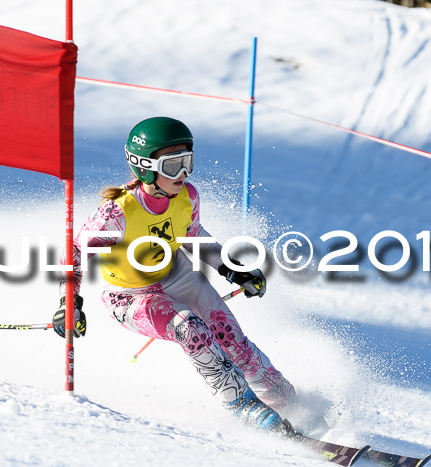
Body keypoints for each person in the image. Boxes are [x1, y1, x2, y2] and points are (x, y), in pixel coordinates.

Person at [52, 116, 296, 434]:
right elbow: (74, 251)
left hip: (177, 275)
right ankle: (242, 404)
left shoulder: (187, 197)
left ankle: (289, 402)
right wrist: (68, 302)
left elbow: (194, 235)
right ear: (145, 167)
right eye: (172, 165)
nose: (182, 174)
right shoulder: (118, 213)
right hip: (131, 296)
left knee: (232, 339)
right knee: (190, 328)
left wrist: (232, 270)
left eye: (187, 162)